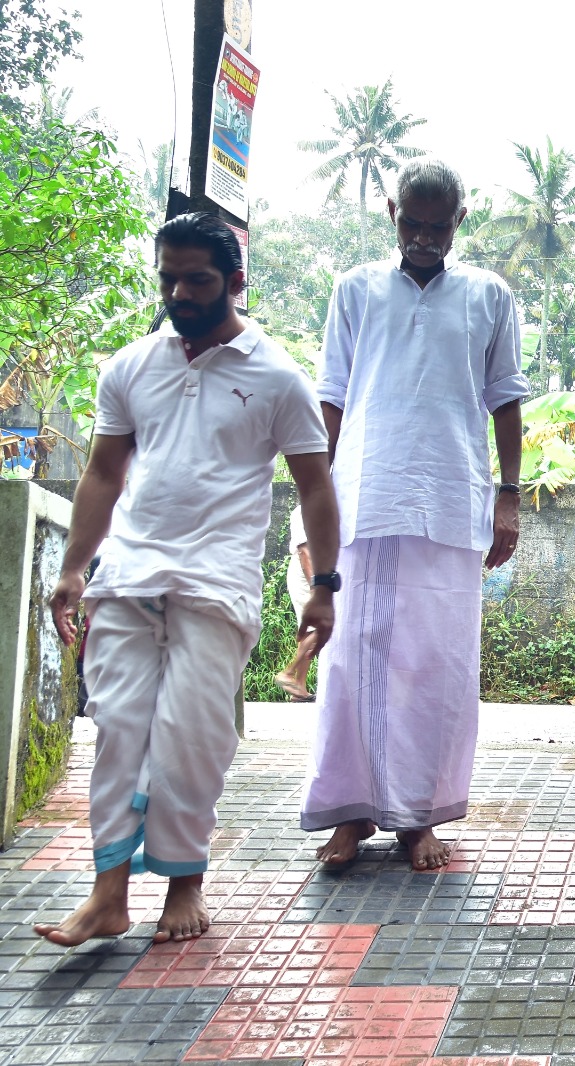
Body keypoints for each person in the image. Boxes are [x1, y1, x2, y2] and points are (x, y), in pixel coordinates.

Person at [35, 213, 338, 947]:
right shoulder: (131, 366)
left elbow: (315, 486)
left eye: (196, 280)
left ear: (235, 281)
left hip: (217, 583)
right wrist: (74, 568)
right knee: (117, 730)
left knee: (189, 737)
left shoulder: (278, 377)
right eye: (169, 278)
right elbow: (104, 473)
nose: (178, 293)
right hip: (126, 575)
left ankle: (184, 882)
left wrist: (325, 585)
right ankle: (108, 894)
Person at [301, 158, 530, 870]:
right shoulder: (355, 288)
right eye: (412, 223)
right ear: (391, 214)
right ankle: (351, 812)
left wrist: (509, 496)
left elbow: (506, 399)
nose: (424, 238)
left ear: (460, 220)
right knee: (351, 660)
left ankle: (419, 818)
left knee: (437, 665)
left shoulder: (490, 295)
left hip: (453, 498)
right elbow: (332, 397)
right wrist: (313, 505)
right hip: (364, 494)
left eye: (438, 226)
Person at [274, 504, 317, 701]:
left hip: (316, 571)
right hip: (305, 572)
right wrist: (314, 585)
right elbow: (303, 551)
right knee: (321, 627)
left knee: (310, 629)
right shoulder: (302, 511)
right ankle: (288, 673)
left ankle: (299, 686)